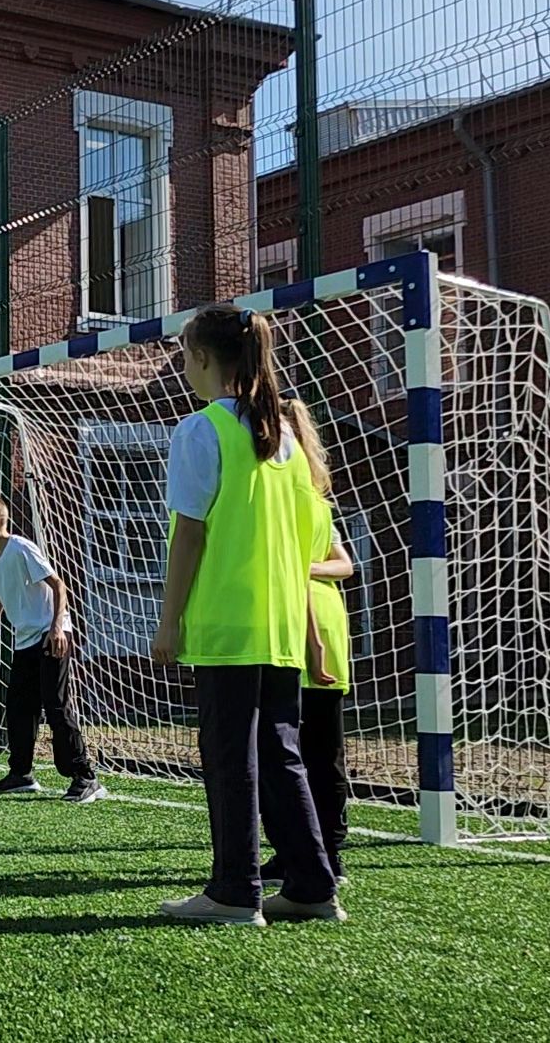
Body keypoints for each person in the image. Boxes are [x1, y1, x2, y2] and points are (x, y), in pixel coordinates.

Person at [152, 305, 342, 926]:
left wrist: (170, 620)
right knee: (280, 755)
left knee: (232, 759)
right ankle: (313, 886)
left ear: (202, 358)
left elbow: (191, 535)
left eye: (184, 355)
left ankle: (236, 891)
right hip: (281, 628)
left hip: (227, 626)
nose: (182, 367)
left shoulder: (202, 429)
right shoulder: (285, 440)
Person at [0, 492, 104, 803]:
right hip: (24, 640)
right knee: (18, 708)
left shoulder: (22, 549)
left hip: (51, 636)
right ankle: (21, 774)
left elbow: (58, 585)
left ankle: (85, 776)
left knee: (56, 705)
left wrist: (57, 627)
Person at [264, 398, 354, 886]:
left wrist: (300, 568)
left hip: (307, 627)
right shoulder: (314, 500)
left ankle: (325, 853)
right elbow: (340, 563)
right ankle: (304, 851)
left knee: (309, 751)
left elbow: (345, 562)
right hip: (306, 625)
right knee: (307, 751)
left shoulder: (302, 501)